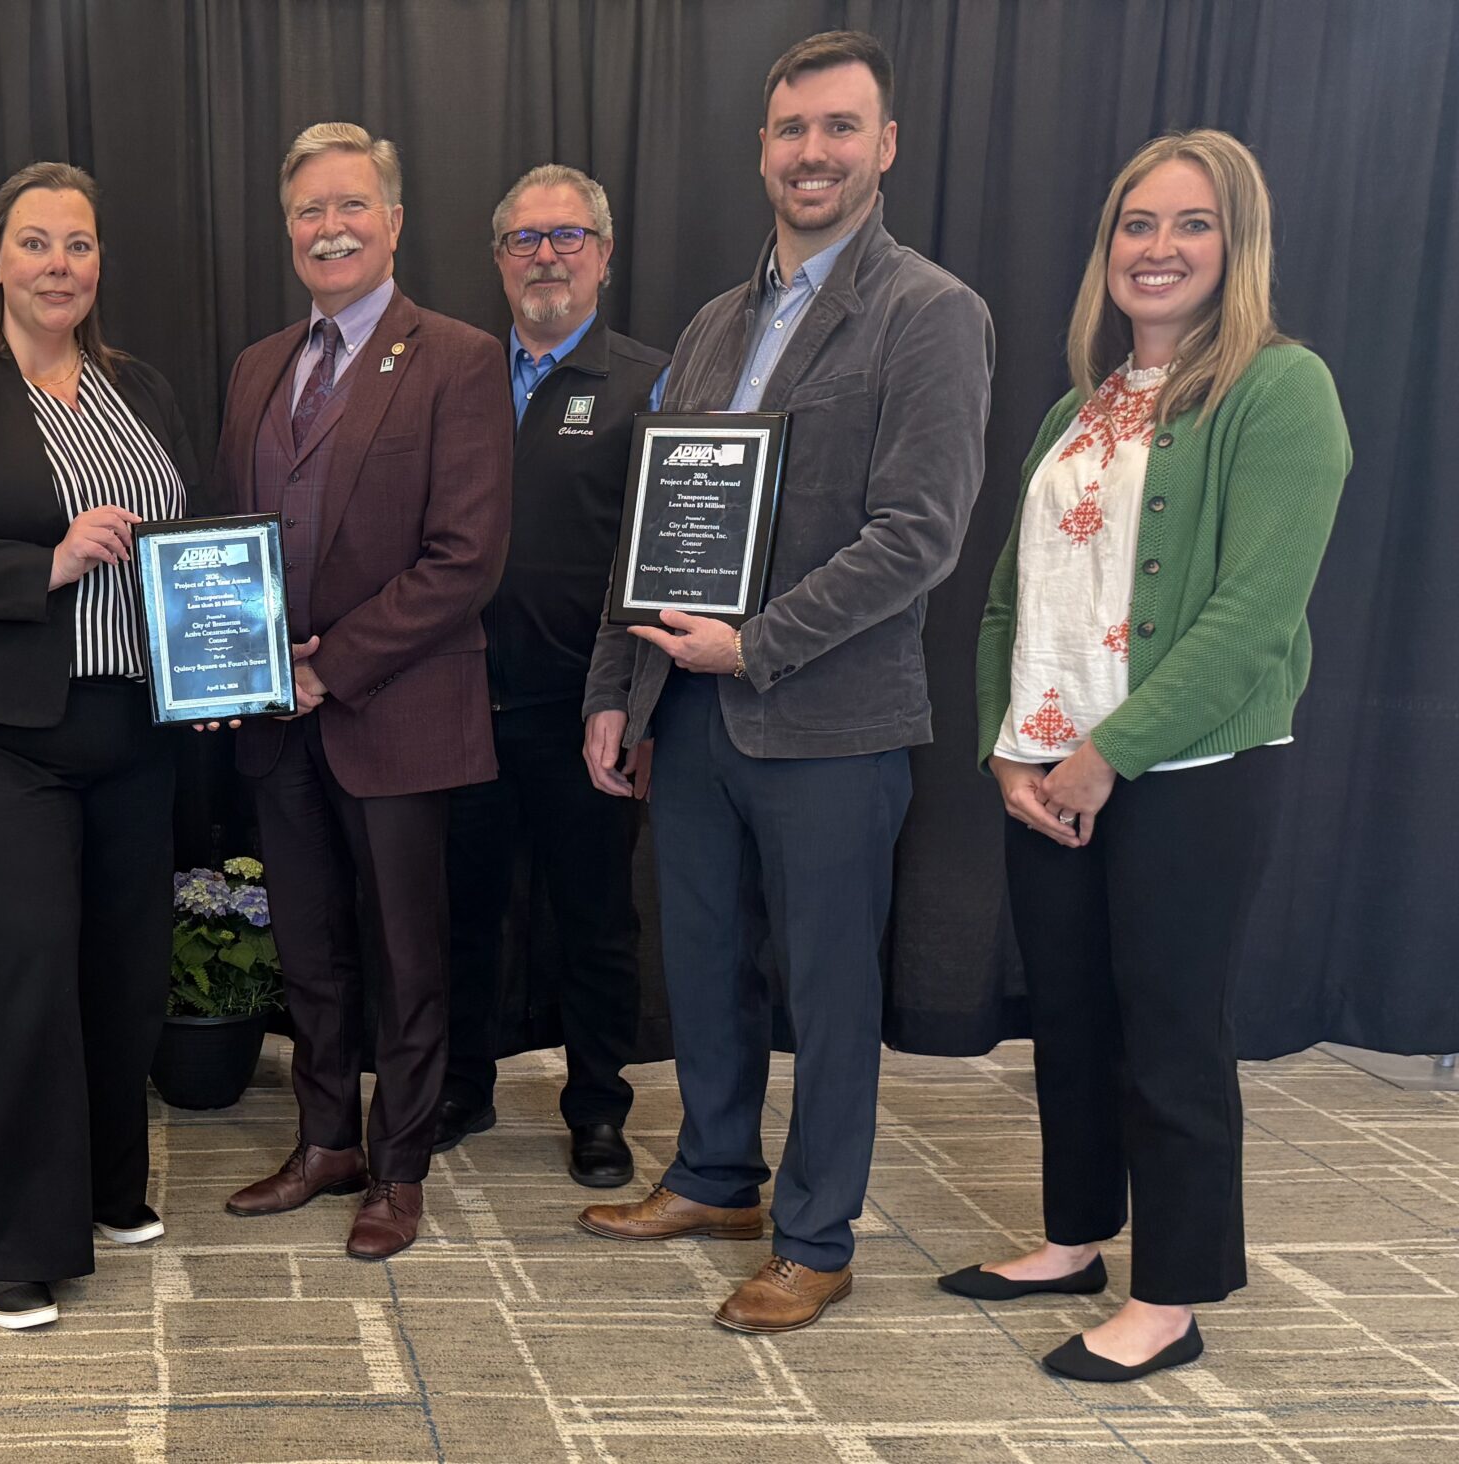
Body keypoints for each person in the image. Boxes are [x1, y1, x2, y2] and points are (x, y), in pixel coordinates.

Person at [575, 31, 993, 1335]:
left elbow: (917, 537)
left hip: (828, 722)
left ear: (884, 147)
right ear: (762, 148)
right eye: (792, 129)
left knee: (827, 987)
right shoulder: (710, 325)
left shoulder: (932, 314)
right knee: (699, 964)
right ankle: (715, 1176)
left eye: (838, 128)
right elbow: (648, 525)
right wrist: (615, 690)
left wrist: (754, 645)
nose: (812, 151)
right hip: (686, 714)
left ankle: (816, 1236)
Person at [939, 130, 1351, 1383]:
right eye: (1136, 224)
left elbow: (1252, 614)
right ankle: (1074, 1238)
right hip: (1050, 770)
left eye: (1190, 225)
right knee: (1068, 1017)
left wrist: (1109, 754)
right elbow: (1014, 596)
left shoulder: (1280, 390)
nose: (1156, 249)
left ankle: (1171, 1296)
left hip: (1185, 773)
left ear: (1237, 247)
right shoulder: (1082, 405)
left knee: (1169, 1029)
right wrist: (1005, 751)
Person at [0, 160, 195, 1331]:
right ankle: (9, 1242)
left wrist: (219, 657)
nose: (60, 265)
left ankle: (109, 1188)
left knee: (123, 973)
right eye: (38, 244)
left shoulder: (140, 387)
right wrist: (47, 563)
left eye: (80, 245)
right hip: (4, 737)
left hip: (133, 727)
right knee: (25, 972)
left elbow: (185, 550)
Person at [217, 124, 513, 1262]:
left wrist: (324, 666)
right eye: (306, 212)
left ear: (392, 223)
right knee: (309, 948)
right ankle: (325, 1140)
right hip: (271, 721)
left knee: (405, 954)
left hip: (394, 711)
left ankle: (400, 1167)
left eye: (349, 207)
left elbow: (463, 558)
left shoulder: (457, 355)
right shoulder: (256, 367)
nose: (327, 227)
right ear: (286, 231)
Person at [438, 165, 665, 1187]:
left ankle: (597, 1110)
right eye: (524, 239)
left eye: (567, 236)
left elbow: (660, 561)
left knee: (594, 921)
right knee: (460, 911)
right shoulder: (457, 379)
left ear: (605, 256)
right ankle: (459, 1086)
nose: (546, 256)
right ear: (496, 260)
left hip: (588, 710)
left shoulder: (649, 384)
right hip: (456, 705)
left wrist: (628, 700)